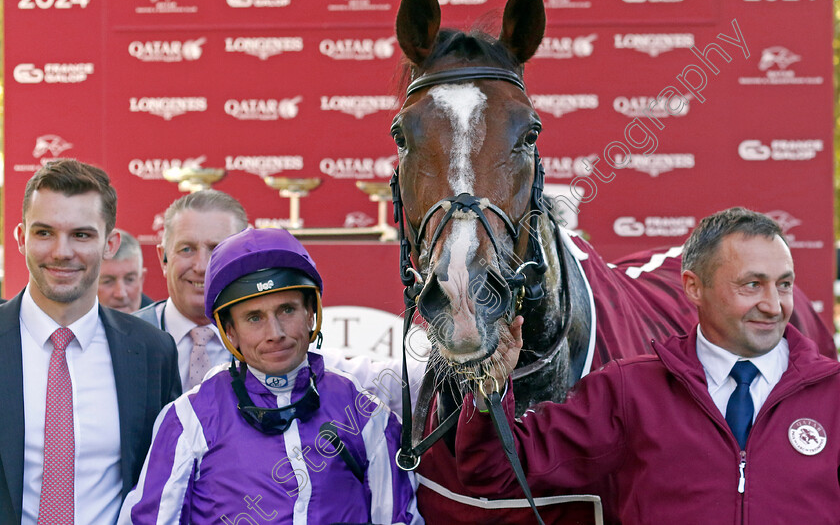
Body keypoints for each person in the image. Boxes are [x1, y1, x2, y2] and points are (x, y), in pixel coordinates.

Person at [455, 207, 840, 524]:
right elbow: (497, 472)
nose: (774, 306)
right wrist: (490, 388)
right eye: (752, 285)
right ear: (693, 287)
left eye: (784, 284)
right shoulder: (629, 390)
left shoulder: (833, 395)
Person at [119, 227, 422, 524]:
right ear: (230, 332)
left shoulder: (365, 413)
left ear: (311, 313)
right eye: (254, 318)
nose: (275, 333)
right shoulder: (189, 418)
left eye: (287, 310)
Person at [0, 159, 181, 524]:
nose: (62, 251)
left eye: (81, 235)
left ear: (109, 244)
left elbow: (167, 483)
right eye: (44, 233)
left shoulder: (152, 352)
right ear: (21, 238)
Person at [134, 190, 248, 390]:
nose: (201, 266)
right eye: (187, 249)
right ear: (164, 258)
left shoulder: (267, 342)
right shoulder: (125, 339)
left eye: (217, 249)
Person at [98, 229, 153, 313]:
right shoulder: (72, 321)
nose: (121, 294)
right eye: (107, 281)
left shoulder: (159, 323)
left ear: (141, 279)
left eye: (130, 279)